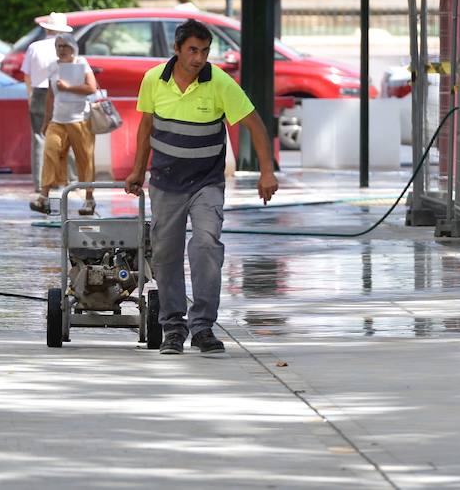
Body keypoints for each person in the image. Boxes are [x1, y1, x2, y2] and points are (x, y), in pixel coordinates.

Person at [124, 18, 278, 358]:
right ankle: (173, 326)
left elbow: (254, 123)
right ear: (177, 49)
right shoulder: (153, 80)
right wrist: (137, 170)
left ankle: (203, 326)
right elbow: (146, 126)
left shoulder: (219, 82)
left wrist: (267, 172)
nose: (199, 58)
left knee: (206, 245)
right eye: (193, 50)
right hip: (165, 183)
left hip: (206, 183)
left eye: (205, 51)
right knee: (165, 253)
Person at [29, 34, 98, 216]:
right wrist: (46, 119)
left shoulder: (81, 63)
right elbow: (51, 95)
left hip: (79, 119)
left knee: (85, 160)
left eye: (65, 46)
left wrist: (68, 87)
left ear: (73, 48)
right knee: (50, 151)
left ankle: (89, 199)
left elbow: (91, 87)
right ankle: (43, 196)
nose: (61, 50)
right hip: (58, 120)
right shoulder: (53, 66)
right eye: (58, 46)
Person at [23, 12, 76, 188]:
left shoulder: (34, 47)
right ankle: (70, 180)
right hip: (61, 92)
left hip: (39, 91)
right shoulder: (68, 47)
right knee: (67, 133)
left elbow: (27, 76)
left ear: (47, 29)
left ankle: (40, 182)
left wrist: (30, 95)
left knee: (39, 136)